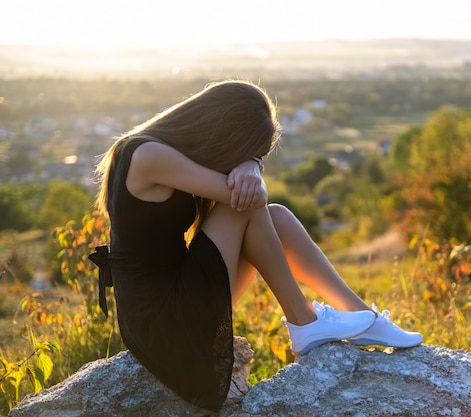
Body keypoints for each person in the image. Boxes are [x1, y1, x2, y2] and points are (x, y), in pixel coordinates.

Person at [89, 80, 423, 412]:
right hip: (164, 322)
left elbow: (254, 196)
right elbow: (249, 198)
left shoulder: (153, 147)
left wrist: (252, 162)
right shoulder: (149, 155)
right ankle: (304, 323)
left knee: (276, 216)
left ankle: (363, 316)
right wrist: (251, 166)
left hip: (176, 297)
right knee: (248, 205)